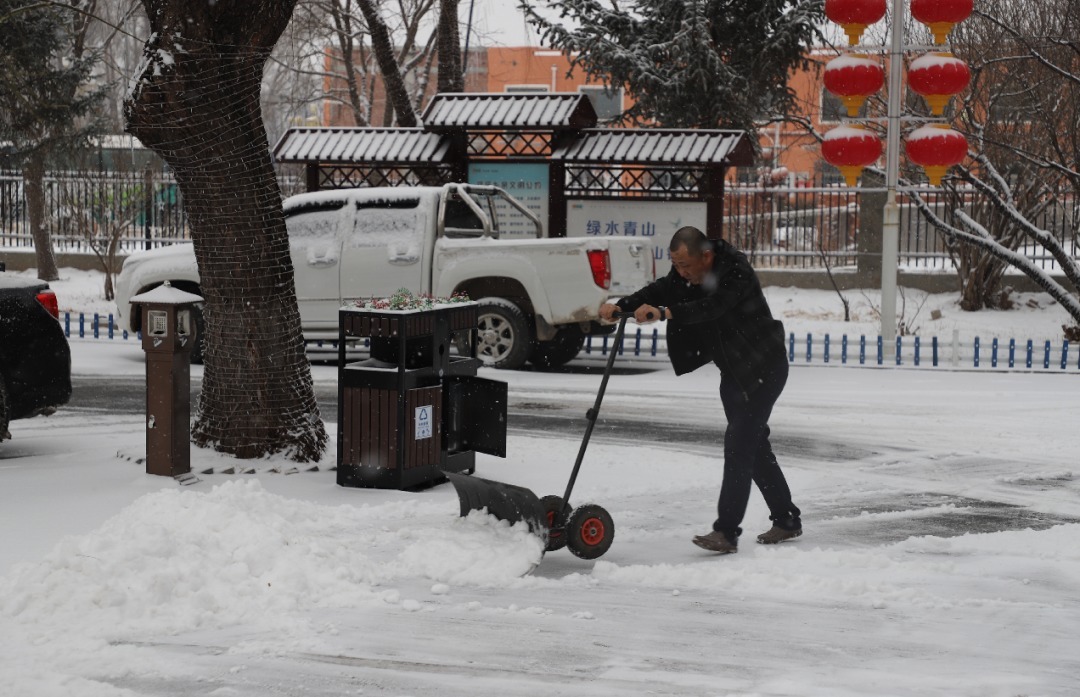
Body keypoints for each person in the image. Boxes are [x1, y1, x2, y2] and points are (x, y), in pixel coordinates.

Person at [599, 226, 801, 555]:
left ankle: (726, 532)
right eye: (677, 266)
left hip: (764, 368)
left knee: (739, 444)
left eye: (686, 266)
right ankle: (787, 519)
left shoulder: (735, 270)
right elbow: (663, 289)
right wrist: (622, 305)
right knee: (752, 446)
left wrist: (665, 313)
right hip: (733, 373)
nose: (681, 273)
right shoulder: (685, 274)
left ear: (706, 256)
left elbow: (714, 306)